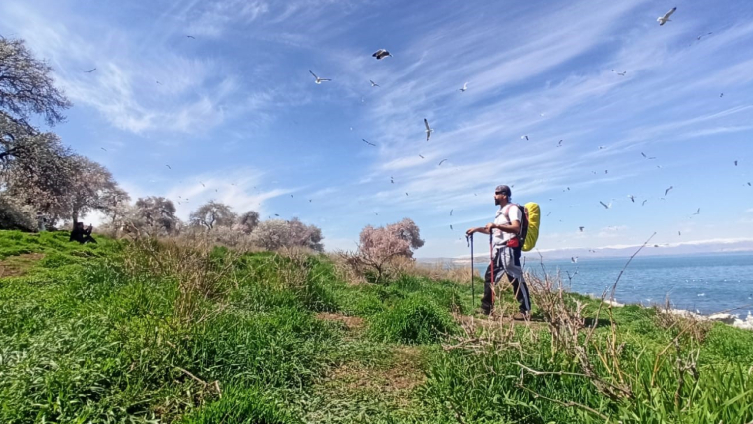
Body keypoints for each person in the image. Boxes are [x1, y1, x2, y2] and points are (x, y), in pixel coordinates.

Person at [466, 185, 531, 320]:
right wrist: (477, 229)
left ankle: (525, 311)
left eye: (496, 194)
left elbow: (516, 228)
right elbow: (495, 230)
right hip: (499, 250)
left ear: (504, 195)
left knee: (516, 278)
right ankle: (486, 308)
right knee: (489, 277)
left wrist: (495, 225)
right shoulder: (501, 212)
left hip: (509, 249)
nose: (494, 196)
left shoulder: (512, 209)